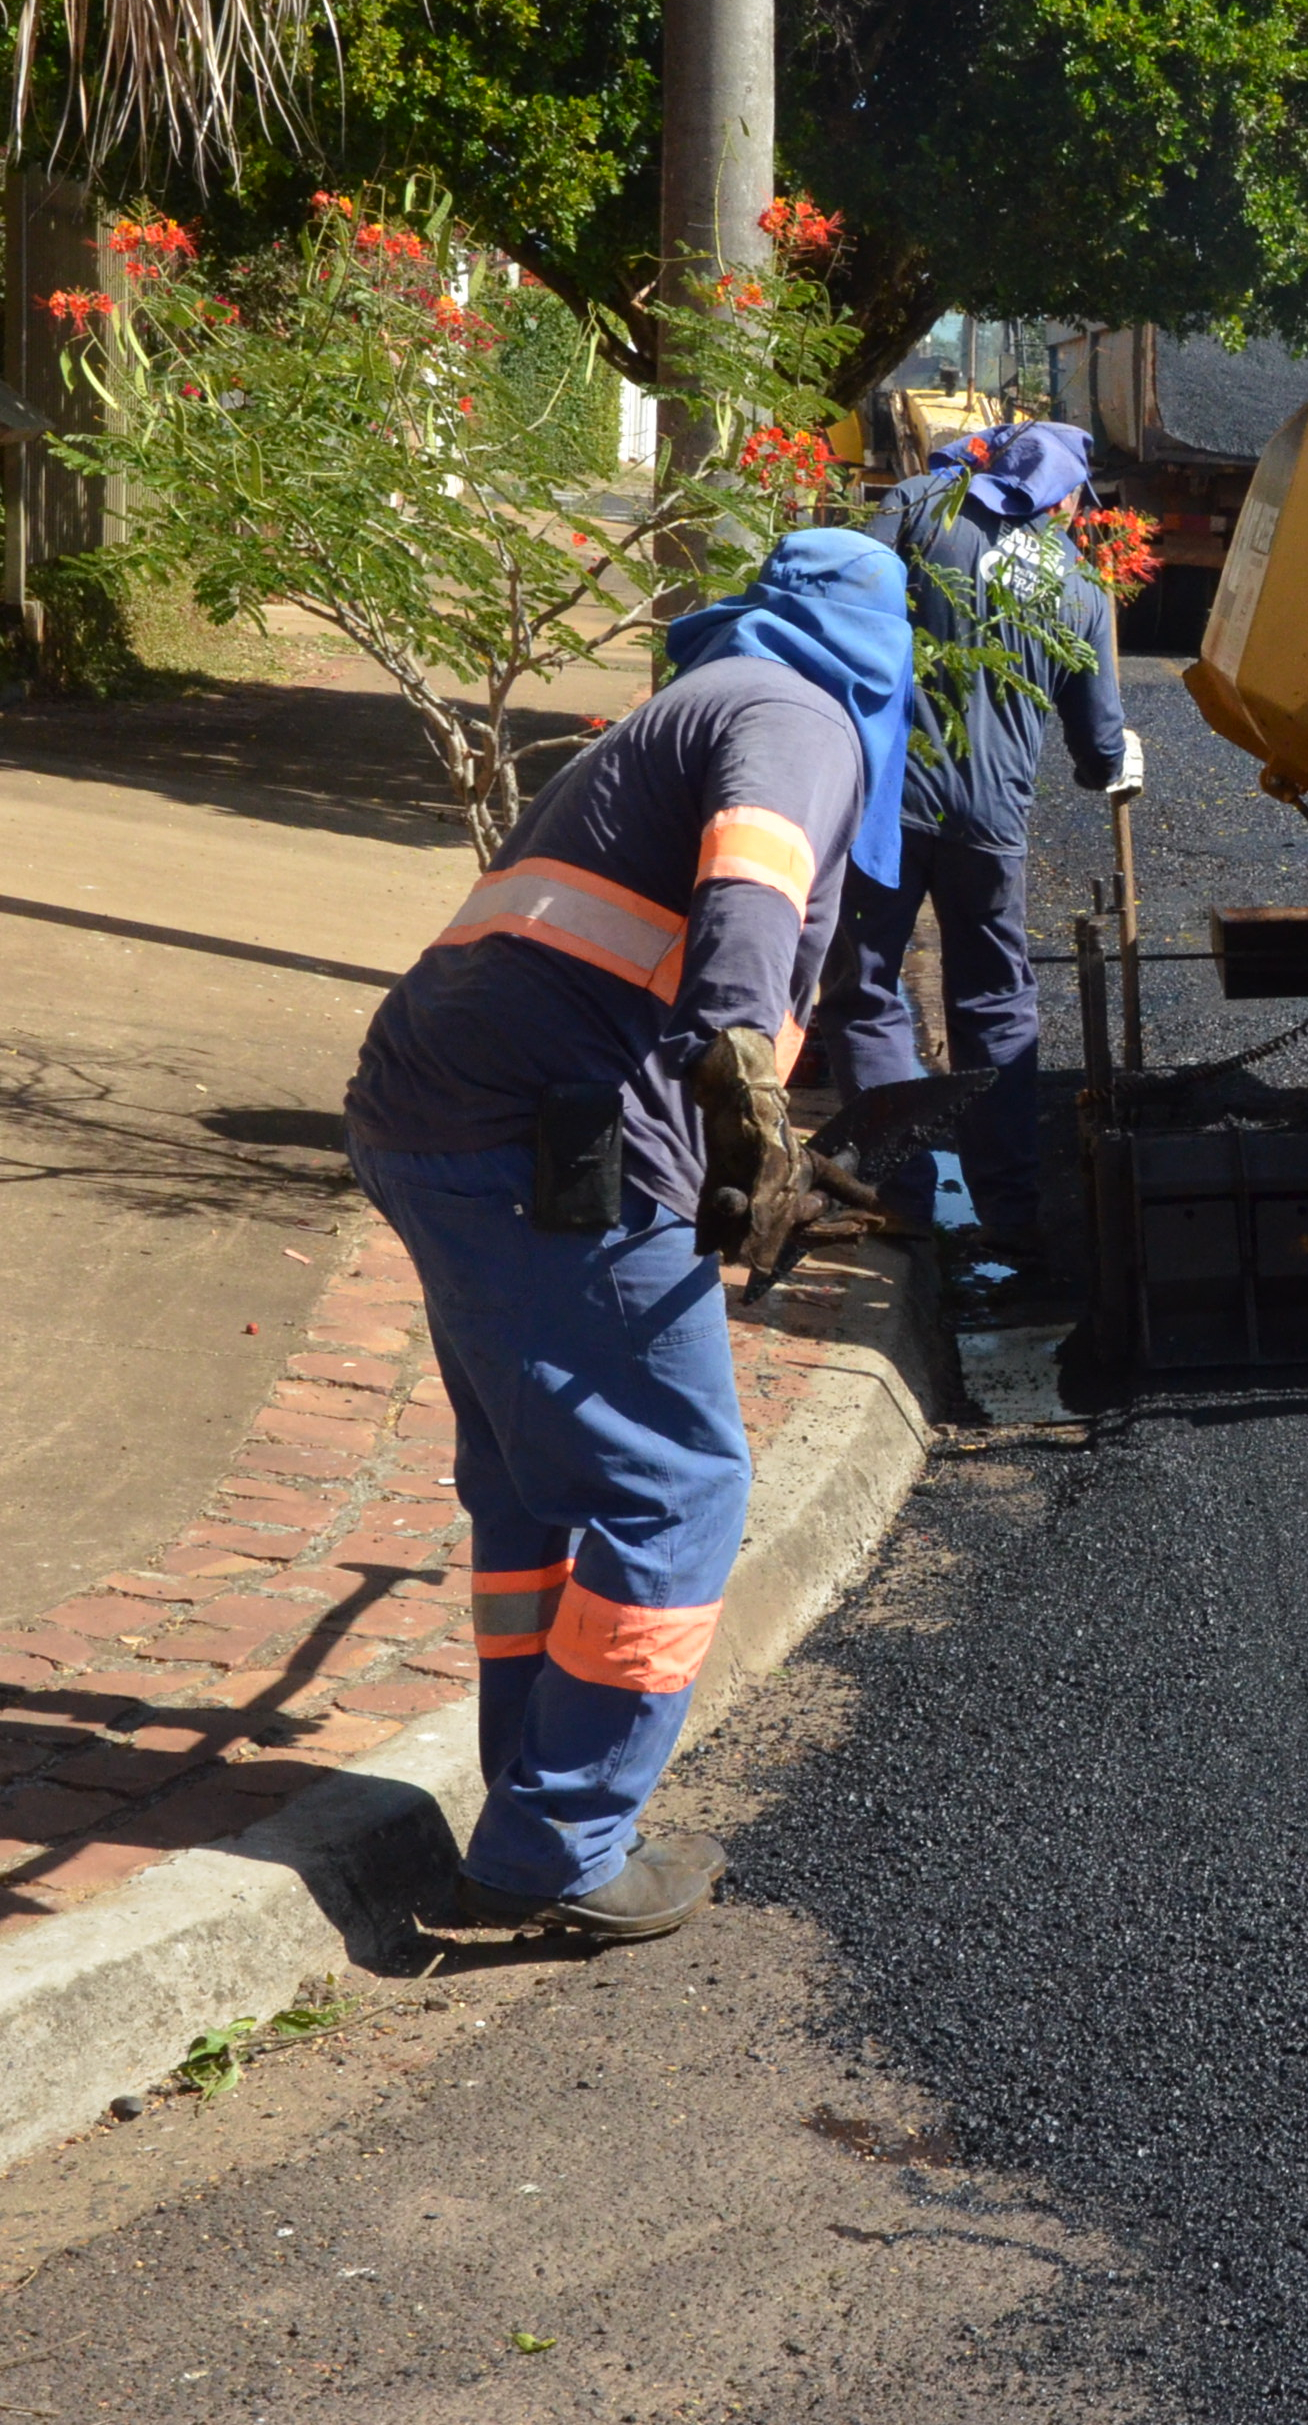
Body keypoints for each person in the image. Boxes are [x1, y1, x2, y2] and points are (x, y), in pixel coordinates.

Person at [343, 529, 914, 1940]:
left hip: (430, 1111)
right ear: (882, 648)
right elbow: (756, 881)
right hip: (540, 1142)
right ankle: (561, 1851)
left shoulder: (685, 705)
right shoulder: (798, 712)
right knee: (677, 1487)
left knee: (540, 1486)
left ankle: (530, 1798)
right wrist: (748, 1087)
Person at [815, 419, 1132, 1251]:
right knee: (994, 1001)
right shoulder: (1080, 588)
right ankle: (1010, 1210)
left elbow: (842, 593)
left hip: (888, 801)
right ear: (1063, 497)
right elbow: (1099, 751)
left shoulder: (924, 506)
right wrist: (1114, 762)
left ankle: (902, 1193)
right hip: (991, 824)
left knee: (869, 989)